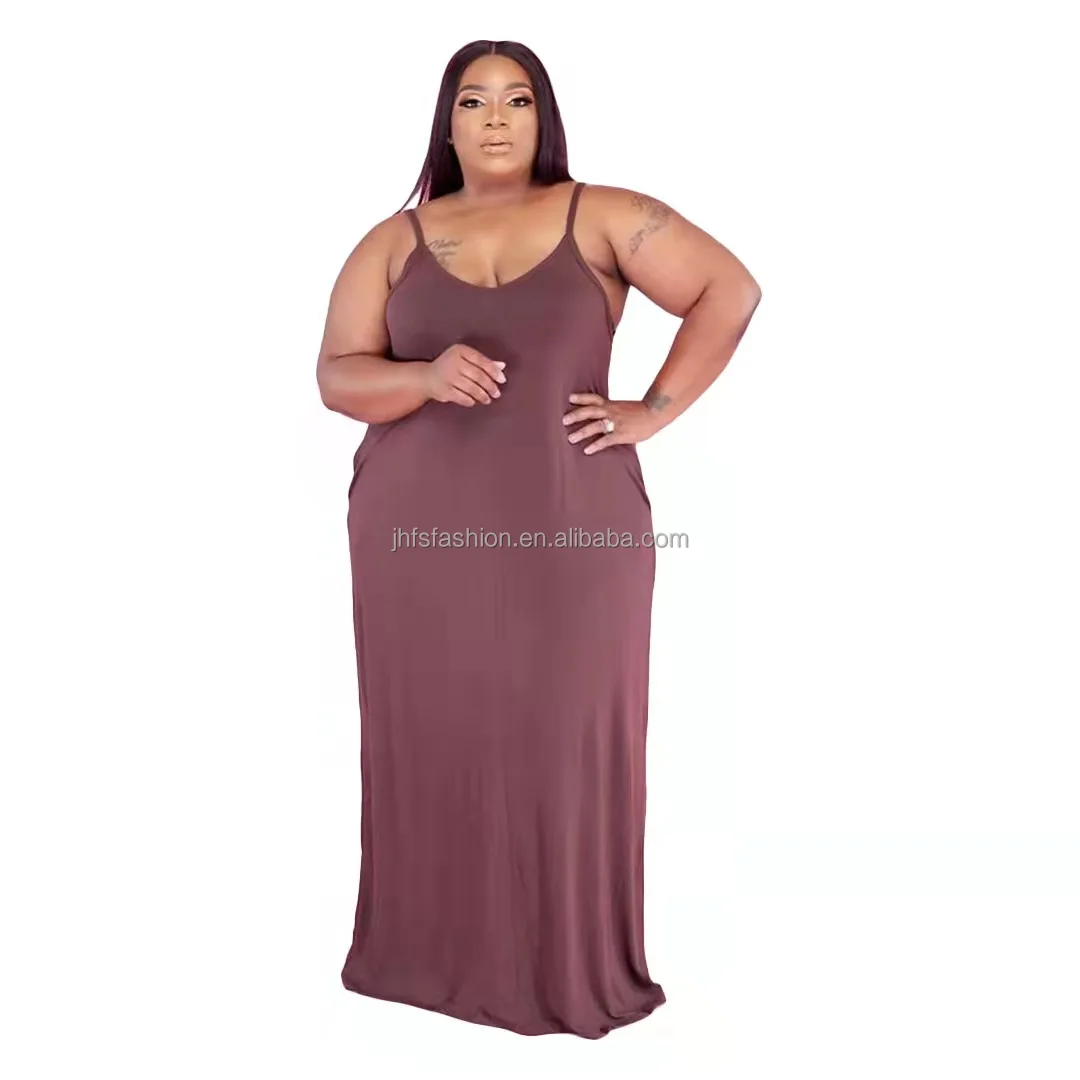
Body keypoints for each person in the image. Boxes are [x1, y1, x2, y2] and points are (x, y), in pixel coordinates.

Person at [316, 39, 761, 1039]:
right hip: (414, 534)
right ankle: (423, 961)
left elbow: (729, 289)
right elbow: (337, 375)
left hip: (574, 531)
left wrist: (652, 410)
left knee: (565, 737)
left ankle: (564, 971)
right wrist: (424, 377)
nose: (495, 118)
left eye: (516, 99)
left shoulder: (601, 214)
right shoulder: (392, 241)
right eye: (472, 101)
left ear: (543, 115)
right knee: (432, 729)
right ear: (447, 123)